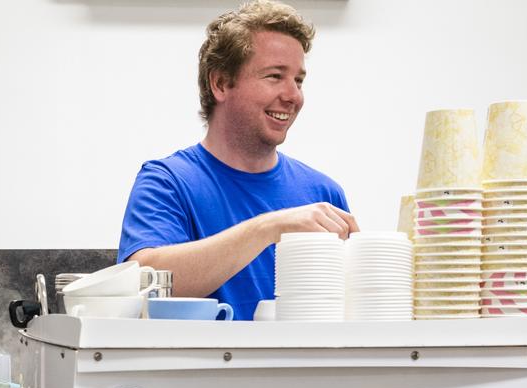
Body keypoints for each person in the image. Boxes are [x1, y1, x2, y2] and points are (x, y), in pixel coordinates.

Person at [117, 0, 358, 321]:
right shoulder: (167, 182)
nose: (293, 96)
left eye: (298, 80)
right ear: (220, 83)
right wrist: (269, 227)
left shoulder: (323, 193)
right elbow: (145, 284)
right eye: (275, 76)